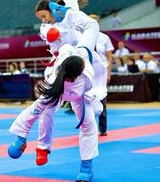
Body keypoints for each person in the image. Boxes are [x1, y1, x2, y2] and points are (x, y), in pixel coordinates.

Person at [8, 44, 103, 182]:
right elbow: (34, 111)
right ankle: (84, 170)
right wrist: (21, 139)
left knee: (88, 122)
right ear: (79, 72)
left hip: (79, 96)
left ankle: (85, 170)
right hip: (62, 91)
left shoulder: (74, 67)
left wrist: (20, 139)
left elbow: (31, 112)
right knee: (50, 115)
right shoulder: (78, 76)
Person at [89, 14, 114, 136]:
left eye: (95, 22)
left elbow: (109, 57)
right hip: (87, 72)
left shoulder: (104, 38)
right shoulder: (83, 38)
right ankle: (88, 127)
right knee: (85, 101)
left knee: (102, 100)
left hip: (101, 74)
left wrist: (108, 73)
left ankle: (102, 128)